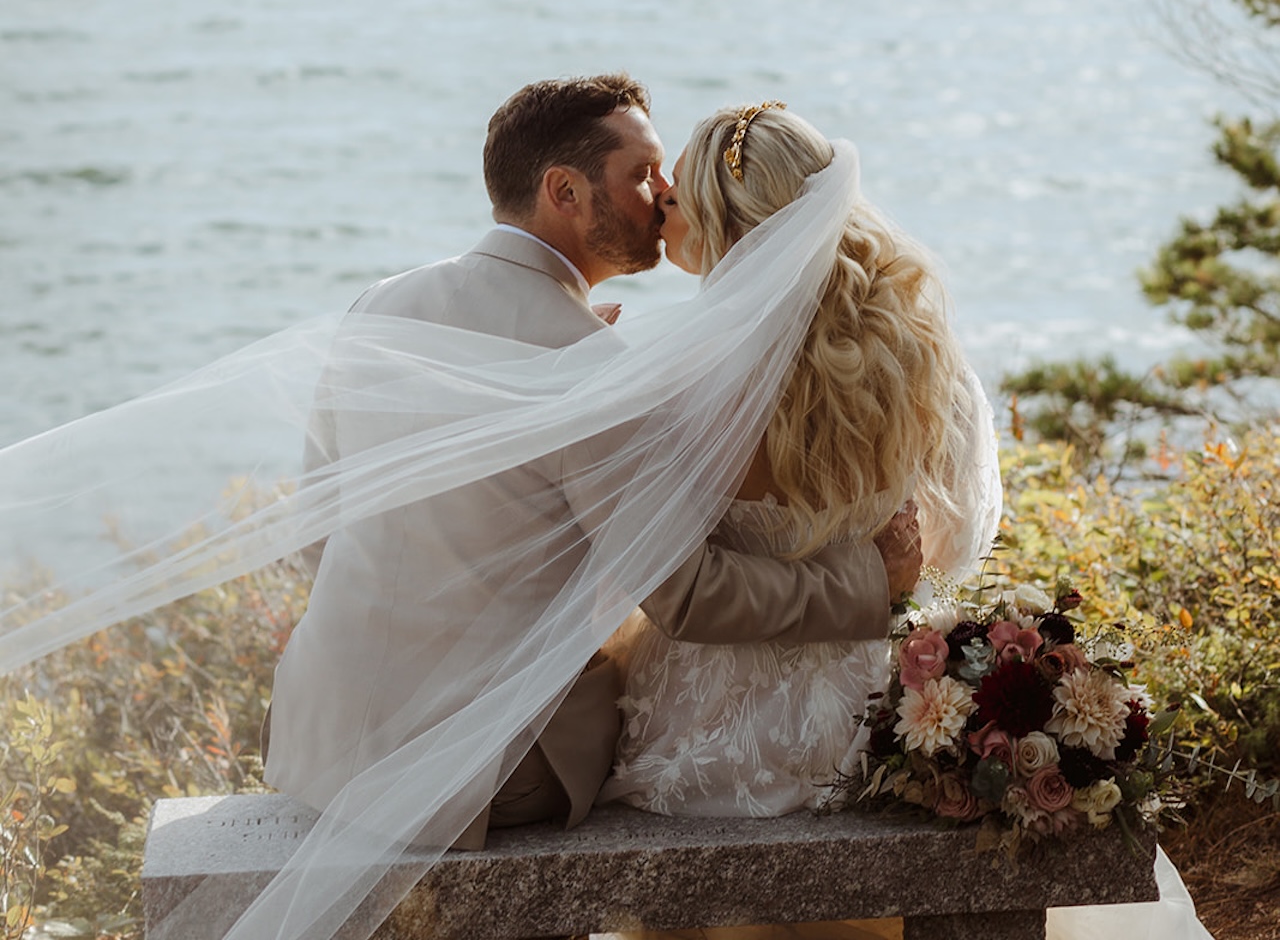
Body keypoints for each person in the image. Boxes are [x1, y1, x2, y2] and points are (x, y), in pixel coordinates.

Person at [601, 102, 1210, 940]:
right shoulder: (915, 354)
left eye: (681, 194)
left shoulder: (677, 381)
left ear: (726, 224)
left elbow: (671, 578)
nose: (662, 198)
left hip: (701, 736)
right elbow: (956, 542)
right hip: (865, 720)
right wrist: (876, 575)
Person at [264, 75, 923, 849]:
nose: (663, 195)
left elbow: (317, 531)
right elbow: (691, 598)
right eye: (641, 173)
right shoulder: (592, 366)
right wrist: (871, 581)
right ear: (564, 191)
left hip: (317, 732)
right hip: (479, 773)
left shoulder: (382, 304)